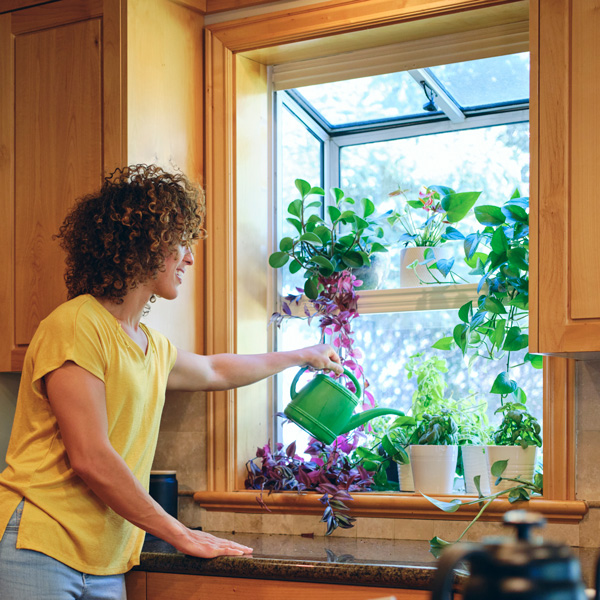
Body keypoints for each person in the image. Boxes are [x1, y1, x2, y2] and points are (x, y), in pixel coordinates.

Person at [0, 164, 342, 599]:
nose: (190, 257)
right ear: (143, 242)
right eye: (181, 242)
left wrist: (302, 355)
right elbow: (90, 456)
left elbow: (216, 370)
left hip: (105, 559)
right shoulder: (76, 325)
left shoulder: (149, 345)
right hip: (40, 545)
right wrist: (180, 532)